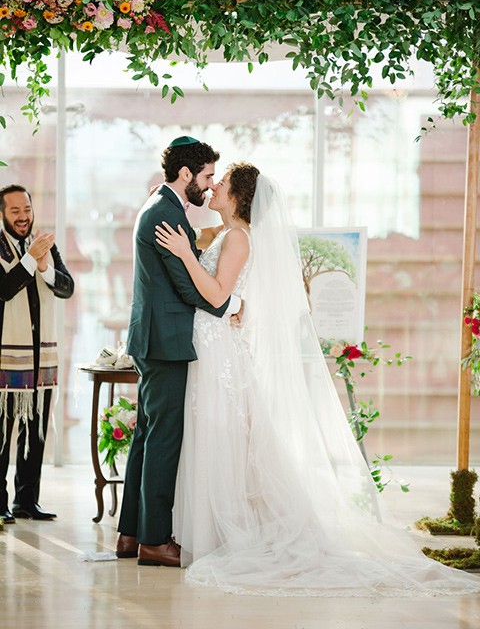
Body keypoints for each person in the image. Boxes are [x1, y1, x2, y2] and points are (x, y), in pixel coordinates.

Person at [155, 163, 480, 597]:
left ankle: (224, 534)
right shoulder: (228, 236)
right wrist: (235, 301)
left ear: (238, 198)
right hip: (215, 346)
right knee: (224, 439)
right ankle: (215, 529)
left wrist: (184, 256)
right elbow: (235, 297)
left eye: (222, 184)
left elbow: (215, 295)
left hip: (219, 355)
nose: (212, 188)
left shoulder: (236, 237)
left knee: (223, 439)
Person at [116, 136, 241, 567]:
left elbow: (184, 263)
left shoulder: (161, 206)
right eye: (206, 176)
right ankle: (154, 541)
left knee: (147, 438)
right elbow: (189, 288)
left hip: (154, 337)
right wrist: (226, 303)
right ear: (185, 173)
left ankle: (131, 535)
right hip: (165, 343)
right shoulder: (165, 214)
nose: (209, 185)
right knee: (163, 441)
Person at [0, 184, 74, 524]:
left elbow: (66, 288)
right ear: (2, 213)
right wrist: (31, 261)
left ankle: (26, 501)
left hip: (41, 356)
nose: (23, 217)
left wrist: (44, 265)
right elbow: (3, 289)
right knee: (1, 435)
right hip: (6, 356)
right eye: (15, 211)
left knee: (36, 431)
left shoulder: (44, 245)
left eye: (26, 209)